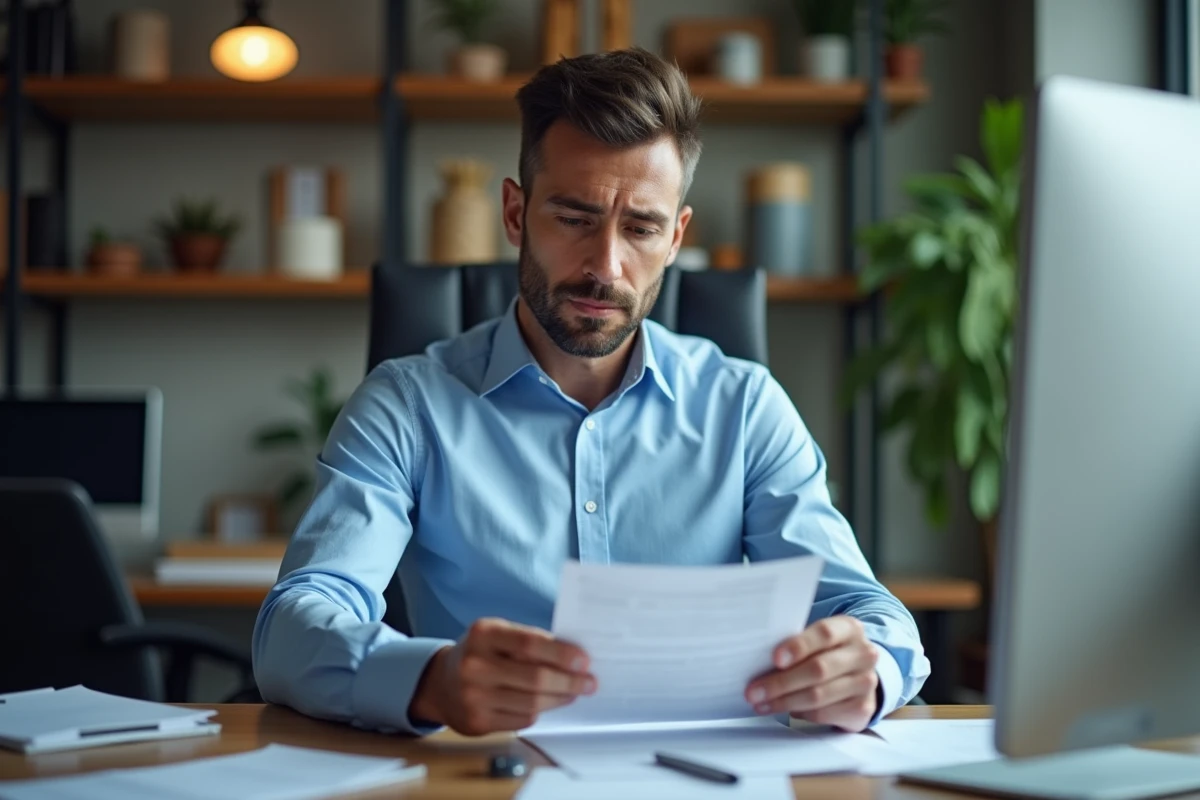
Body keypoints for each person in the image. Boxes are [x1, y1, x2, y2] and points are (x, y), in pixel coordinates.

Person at [253, 47, 929, 737]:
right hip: (486, 775)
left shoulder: (746, 407)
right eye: (574, 218)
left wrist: (867, 669)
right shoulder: (407, 405)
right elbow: (295, 624)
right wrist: (433, 680)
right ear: (515, 215)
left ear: (676, 238)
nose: (606, 266)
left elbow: (868, 610)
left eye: (641, 228)